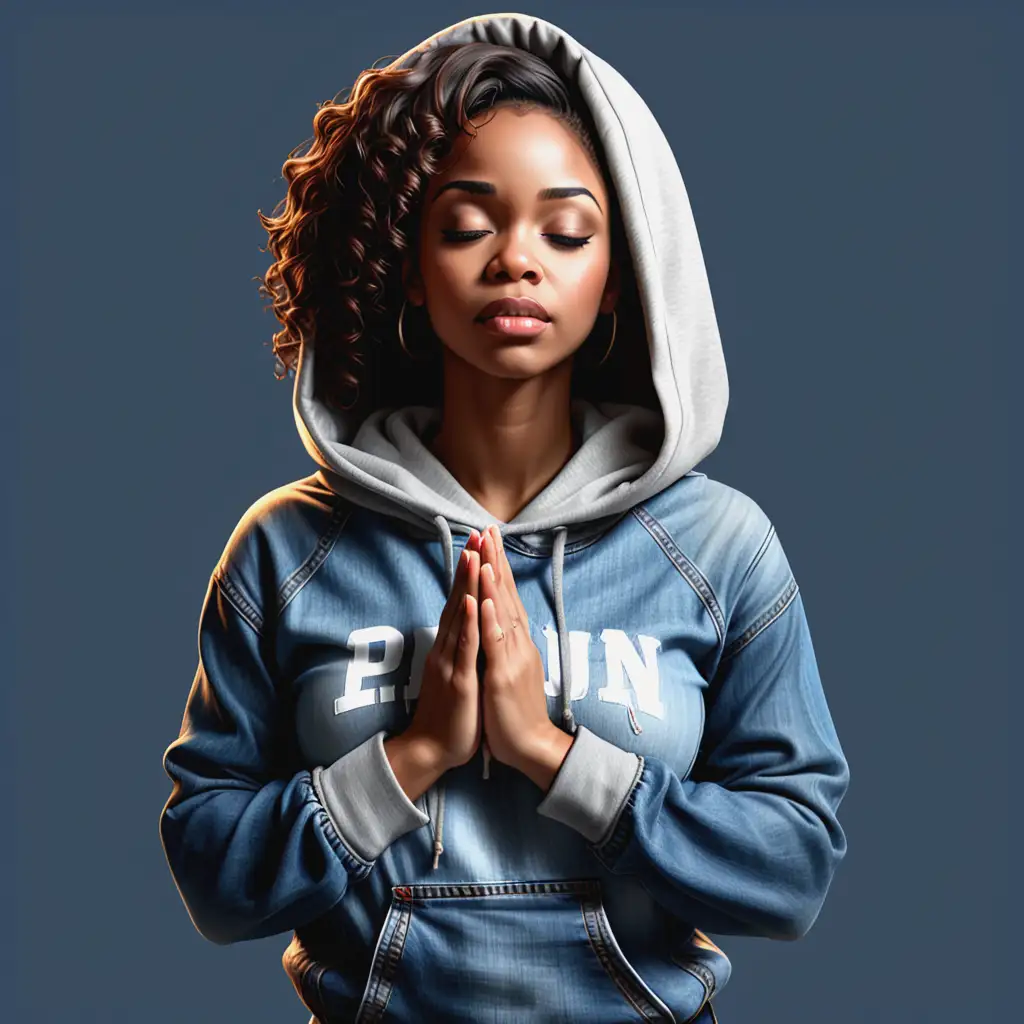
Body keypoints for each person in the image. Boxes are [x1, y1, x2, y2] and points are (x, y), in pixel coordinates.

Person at [159, 12, 849, 1023]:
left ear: (619, 277)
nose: (515, 260)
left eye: (565, 230)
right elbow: (213, 879)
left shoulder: (718, 546)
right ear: (405, 260)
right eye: (467, 223)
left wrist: (554, 756)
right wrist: (412, 755)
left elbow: (793, 872)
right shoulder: (286, 550)